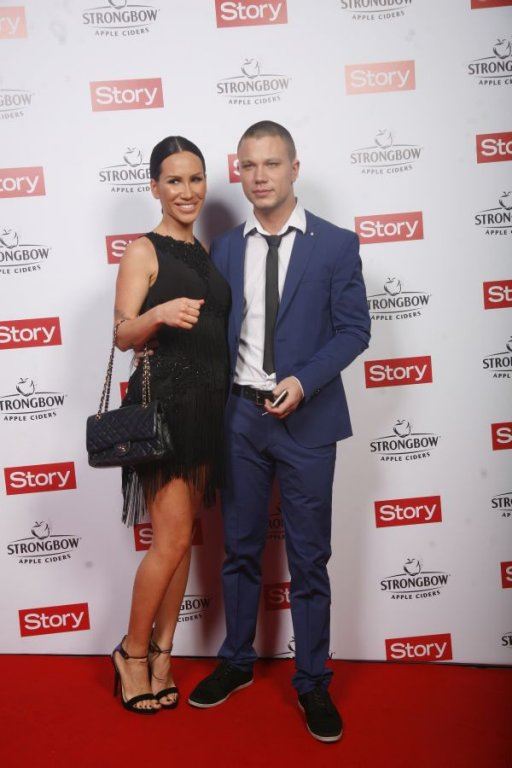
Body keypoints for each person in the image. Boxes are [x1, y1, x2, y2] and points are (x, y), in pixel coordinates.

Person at [188, 121, 371, 743]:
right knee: (239, 550)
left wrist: (304, 381)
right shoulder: (224, 248)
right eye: (248, 165)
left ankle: (313, 680)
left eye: (271, 163)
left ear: (295, 168)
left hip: (308, 420)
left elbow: (354, 330)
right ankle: (237, 661)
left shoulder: (336, 245)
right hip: (240, 418)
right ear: (238, 173)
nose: (259, 176)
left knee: (309, 559)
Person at [110, 136, 230, 714]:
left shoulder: (204, 251)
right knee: (173, 541)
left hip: (209, 411)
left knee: (182, 546)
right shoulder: (143, 250)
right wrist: (156, 313)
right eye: (175, 180)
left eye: (196, 178)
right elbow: (121, 334)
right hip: (165, 410)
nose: (188, 191)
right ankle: (131, 654)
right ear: (155, 187)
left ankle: (163, 653)